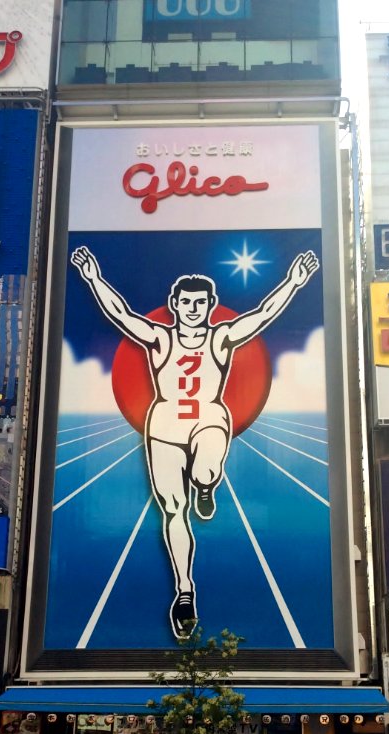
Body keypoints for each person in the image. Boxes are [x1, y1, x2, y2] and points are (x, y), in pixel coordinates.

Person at [71, 246, 320, 638]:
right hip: (165, 424)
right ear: (175, 304)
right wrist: (93, 277)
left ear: (209, 305)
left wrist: (293, 282)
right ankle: (184, 590)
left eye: (199, 303)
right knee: (173, 508)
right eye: (186, 302)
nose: (192, 308)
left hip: (208, 418)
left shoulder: (221, 338)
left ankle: (206, 485)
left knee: (206, 469)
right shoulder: (159, 338)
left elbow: (262, 315)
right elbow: (120, 314)